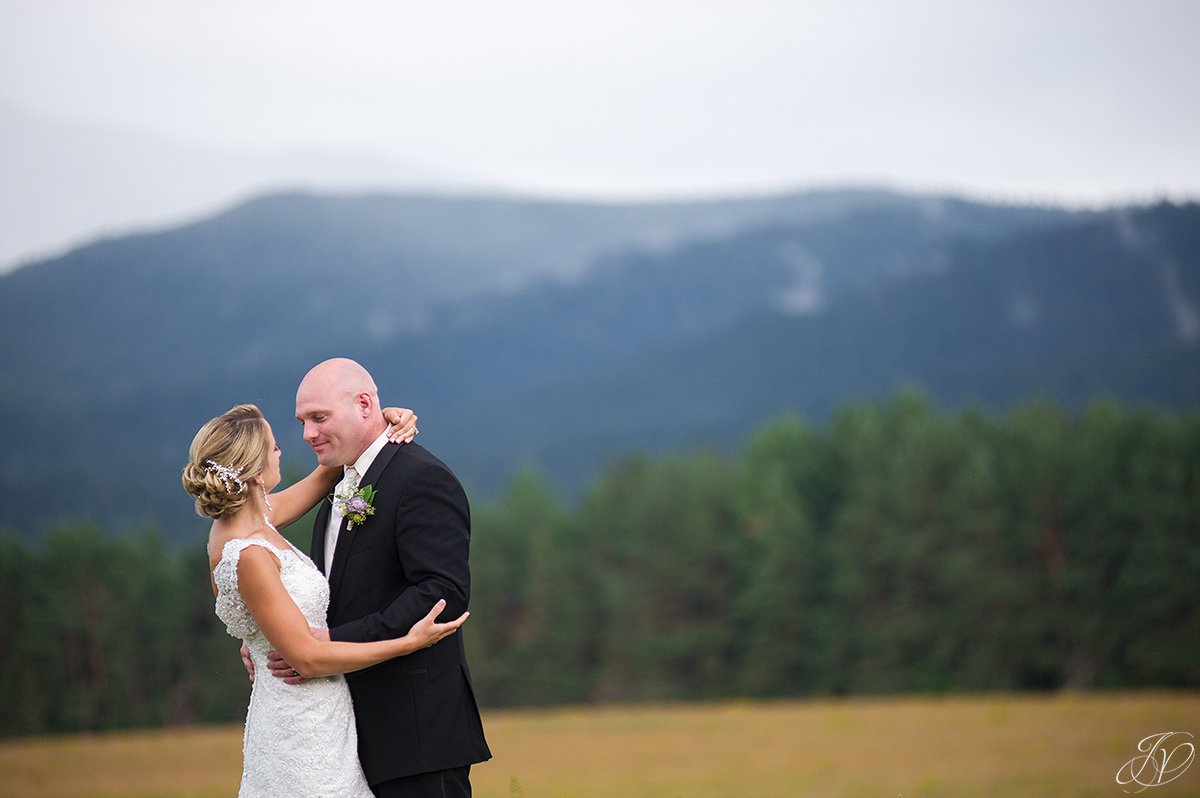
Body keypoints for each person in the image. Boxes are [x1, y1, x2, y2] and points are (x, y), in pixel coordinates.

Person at [182, 402, 466, 798]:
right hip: (300, 723)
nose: (285, 450)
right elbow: (308, 659)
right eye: (275, 446)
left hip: (323, 713)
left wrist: (382, 422)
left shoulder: (254, 518)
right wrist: (407, 643)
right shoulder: (248, 553)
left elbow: (326, 473)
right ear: (254, 470)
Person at [266, 357, 491, 797]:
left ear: (365, 404)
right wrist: (272, 637)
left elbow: (442, 593)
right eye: (302, 421)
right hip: (341, 737)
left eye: (319, 417)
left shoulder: (421, 478)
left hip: (415, 737)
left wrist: (328, 640)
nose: (307, 433)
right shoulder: (336, 485)